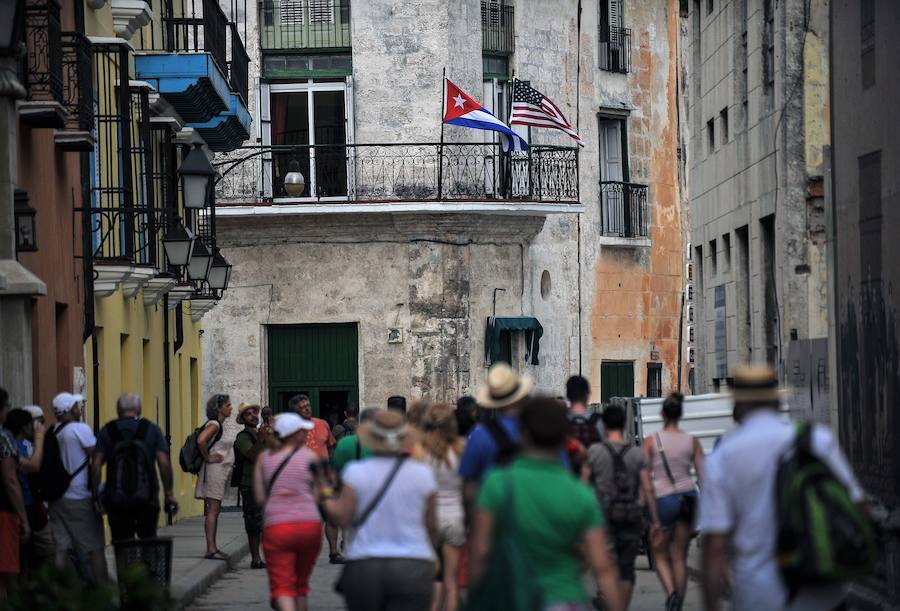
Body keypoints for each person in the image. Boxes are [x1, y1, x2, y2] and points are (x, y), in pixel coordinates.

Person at [700, 366, 865, 611]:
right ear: (777, 402)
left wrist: (711, 605)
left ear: (737, 407)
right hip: (823, 592)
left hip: (759, 595)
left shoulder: (723, 457)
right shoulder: (817, 440)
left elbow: (714, 546)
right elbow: (858, 506)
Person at [469, 397, 624, 611]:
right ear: (564, 437)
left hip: (513, 596)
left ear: (522, 434)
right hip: (564, 599)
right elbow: (603, 568)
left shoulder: (497, 483)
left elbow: (481, 552)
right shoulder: (581, 494)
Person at [319, 409, 438, 611]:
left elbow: (342, 517)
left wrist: (324, 494)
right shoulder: (423, 474)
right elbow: (432, 526)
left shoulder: (355, 473)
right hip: (413, 562)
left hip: (366, 562)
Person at [585, 404, 661, 608]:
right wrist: (655, 519)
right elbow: (648, 487)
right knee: (627, 570)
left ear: (604, 425)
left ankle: (607, 600)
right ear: (624, 424)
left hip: (604, 516)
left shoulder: (594, 452)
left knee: (605, 565)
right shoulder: (636, 453)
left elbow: (583, 485)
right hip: (631, 516)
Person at [642, 392, 704, 610]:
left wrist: (653, 518)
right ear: (680, 414)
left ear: (662, 414)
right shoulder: (692, 441)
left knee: (658, 552)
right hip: (688, 497)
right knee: (680, 555)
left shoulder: (651, 442)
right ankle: (678, 600)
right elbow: (703, 478)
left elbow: (646, 483)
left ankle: (671, 594)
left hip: (663, 499)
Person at [253, 413, 322, 611]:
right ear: (295, 434)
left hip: (277, 526)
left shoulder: (264, 459)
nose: (306, 434)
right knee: (301, 586)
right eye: (303, 431)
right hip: (309, 525)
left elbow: (260, 497)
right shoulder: (311, 458)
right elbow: (318, 495)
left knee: (283, 587)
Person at [91, 393, 176, 541]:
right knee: (148, 541)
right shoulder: (151, 429)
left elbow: (96, 465)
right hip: (147, 498)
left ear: (118, 410)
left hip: (116, 499)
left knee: (122, 544)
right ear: (139, 409)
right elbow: (163, 463)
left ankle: (125, 556)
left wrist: (96, 496)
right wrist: (168, 493)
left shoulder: (107, 431)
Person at [458, 363, 533, 518]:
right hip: (533, 512)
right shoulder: (539, 429)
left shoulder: (479, 435)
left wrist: (472, 522)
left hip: (493, 514)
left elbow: (469, 488)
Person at [48, 392, 107, 584]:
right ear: (69, 410)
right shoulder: (79, 429)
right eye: (76, 405)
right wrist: (96, 496)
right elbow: (96, 458)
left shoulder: (53, 431)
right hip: (79, 497)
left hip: (57, 499)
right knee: (94, 547)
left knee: (61, 548)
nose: (78, 408)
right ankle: (101, 589)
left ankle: (62, 589)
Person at [421, 404, 466, 611]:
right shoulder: (460, 448)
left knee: (432, 579)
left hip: (429, 517)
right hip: (455, 516)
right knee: (451, 582)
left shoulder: (421, 452)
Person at [288, 394, 340, 562]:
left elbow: (330, 447)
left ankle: (334, 552)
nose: (307, 409)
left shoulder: (322, 424)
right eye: (302, 407)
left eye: (308, 405)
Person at [5, 408, 47, 576]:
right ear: (24, 427)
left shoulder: (13, 445)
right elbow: (34, 465)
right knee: (22, 557)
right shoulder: (16, 447)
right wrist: (40, 438)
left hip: (22, 503)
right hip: (22, 504)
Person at [194, 393, 234, 560]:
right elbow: (201, 440)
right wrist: (208, 457)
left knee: (214, 510)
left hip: (218, 471)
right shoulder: (215, 424)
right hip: (214, 471)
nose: (230, 408)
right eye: (227, 405)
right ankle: (211, 548)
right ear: (218, 408)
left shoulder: (218, 425)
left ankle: (213, 547)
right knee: (213, 510)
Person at [233, 403, 272, 569]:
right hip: (250, 484)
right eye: (248, 414)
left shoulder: (262, 433)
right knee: (253, 522)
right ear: (243, 419)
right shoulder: (242, 437)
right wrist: (262, 438)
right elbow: (251, 455)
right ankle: (255, 559)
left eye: (254, 413)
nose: (253, 416)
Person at [0, 389, 29, 599]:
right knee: (8, 570)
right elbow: (10, 480)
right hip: (3, 510)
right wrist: (23, 518)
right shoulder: (3, 438)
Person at [566, 375, 602, 476]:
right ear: (587, 395)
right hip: (592, 476)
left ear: (568, 395)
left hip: (566, 476)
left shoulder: (560, 421)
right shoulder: (598, 421)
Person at [332, 407, 376, 473]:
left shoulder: (338, 429)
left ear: (345, 413)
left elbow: (332, 448)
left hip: (344, 469)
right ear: (358, 414)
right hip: (362, 469)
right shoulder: (365, 432)